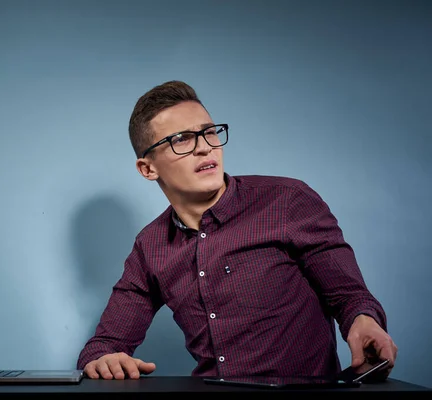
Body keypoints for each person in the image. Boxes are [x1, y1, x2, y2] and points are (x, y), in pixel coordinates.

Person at [76, 80, 398, 380]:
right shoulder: (150, 246)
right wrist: (104, 360)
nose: (205, 148)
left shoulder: (287, 201)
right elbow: (103, 346)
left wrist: (364, 322)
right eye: (181, 140)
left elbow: (350, 297)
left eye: (209, 132)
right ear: (148, 169)